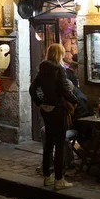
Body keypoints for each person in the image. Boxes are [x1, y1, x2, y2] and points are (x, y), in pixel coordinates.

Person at [29, 43, 78, 191]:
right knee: (60, 145)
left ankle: (47, 176)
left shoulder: (42, 69)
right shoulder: (59, 69)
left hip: (46, 110)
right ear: (59, 54)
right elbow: (64, 90)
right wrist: (75, 100)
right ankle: (59, 179)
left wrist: (40, 103)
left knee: (48, 145)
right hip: (57, 110)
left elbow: (32, 89)